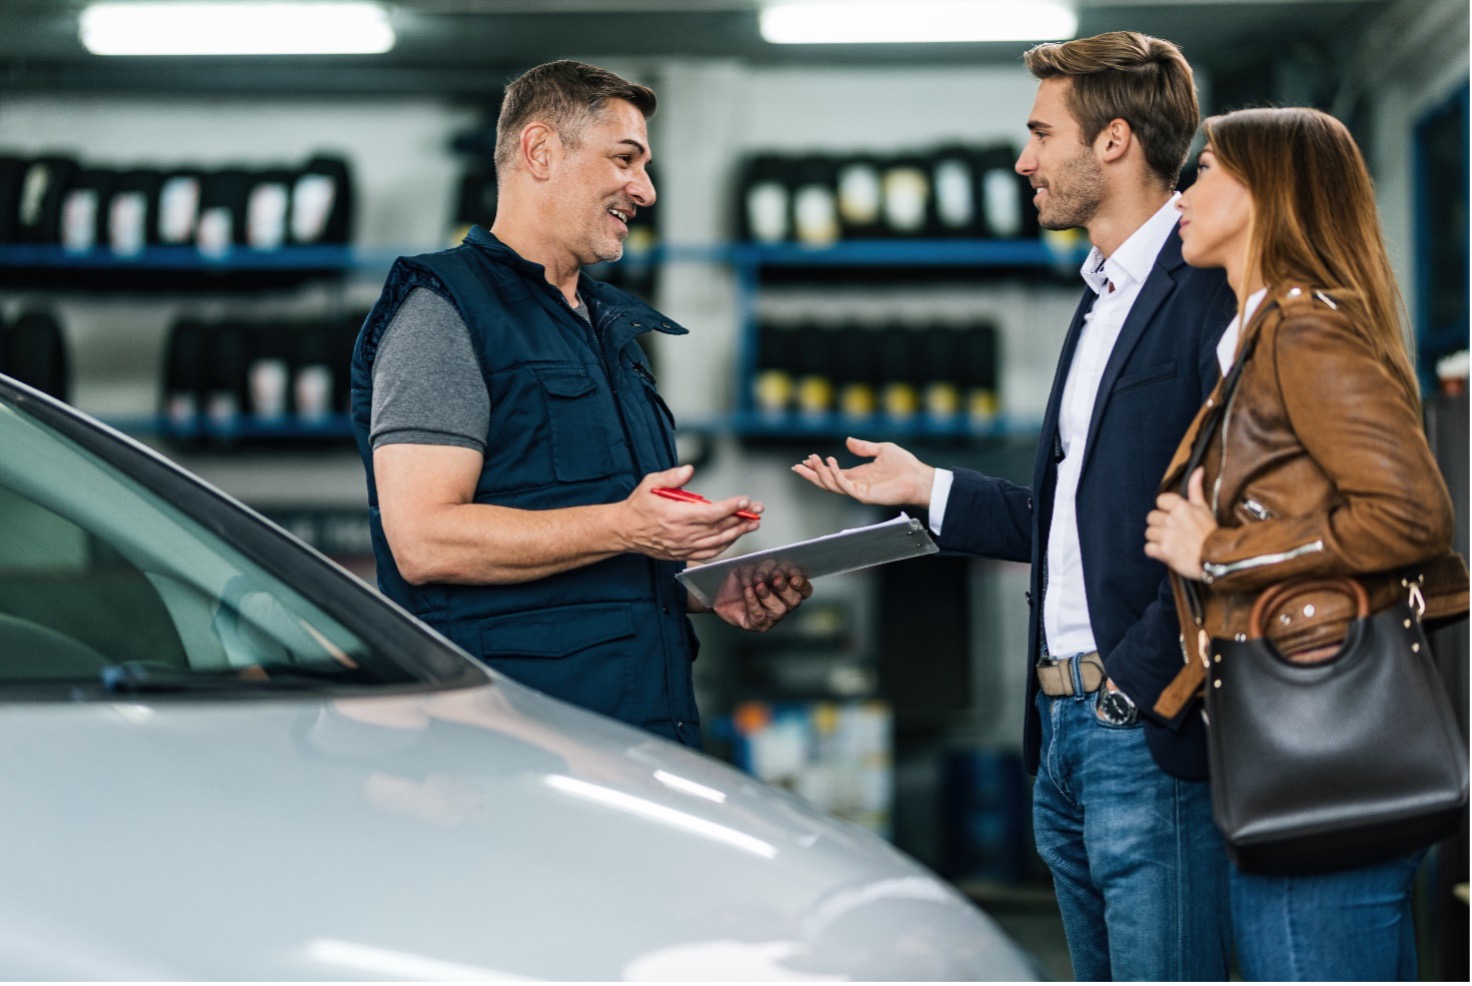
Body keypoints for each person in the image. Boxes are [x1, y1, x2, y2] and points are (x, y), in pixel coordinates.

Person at [793, 31, 1234, 980]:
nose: (1024, 160)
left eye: (1042, 134)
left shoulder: (1206, 292)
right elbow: (1082, 521)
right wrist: (928, 488)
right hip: (1063, 734)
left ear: (1113, 142)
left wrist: (1141, 680)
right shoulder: (1099, 295)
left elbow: (1232, 502)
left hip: (1141, 729)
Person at [349, 60, 810, 749]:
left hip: (637, 735)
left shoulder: (608, 330)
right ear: (540, 151)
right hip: (511, 754)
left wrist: (699, 589)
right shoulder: (444, 314)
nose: (646, 190)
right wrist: (627, 528)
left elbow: (593, 545)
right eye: (625, 159)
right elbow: (422, 541)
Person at [1144, 106, 1464, 981]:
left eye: (1206, 171)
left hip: (1324, 761)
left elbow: (1409, 517)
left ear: (1265, 192)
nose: (1184, 191)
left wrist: (1218, 551)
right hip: (1298, 753)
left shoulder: (1306, 329)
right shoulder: (1258, 336)